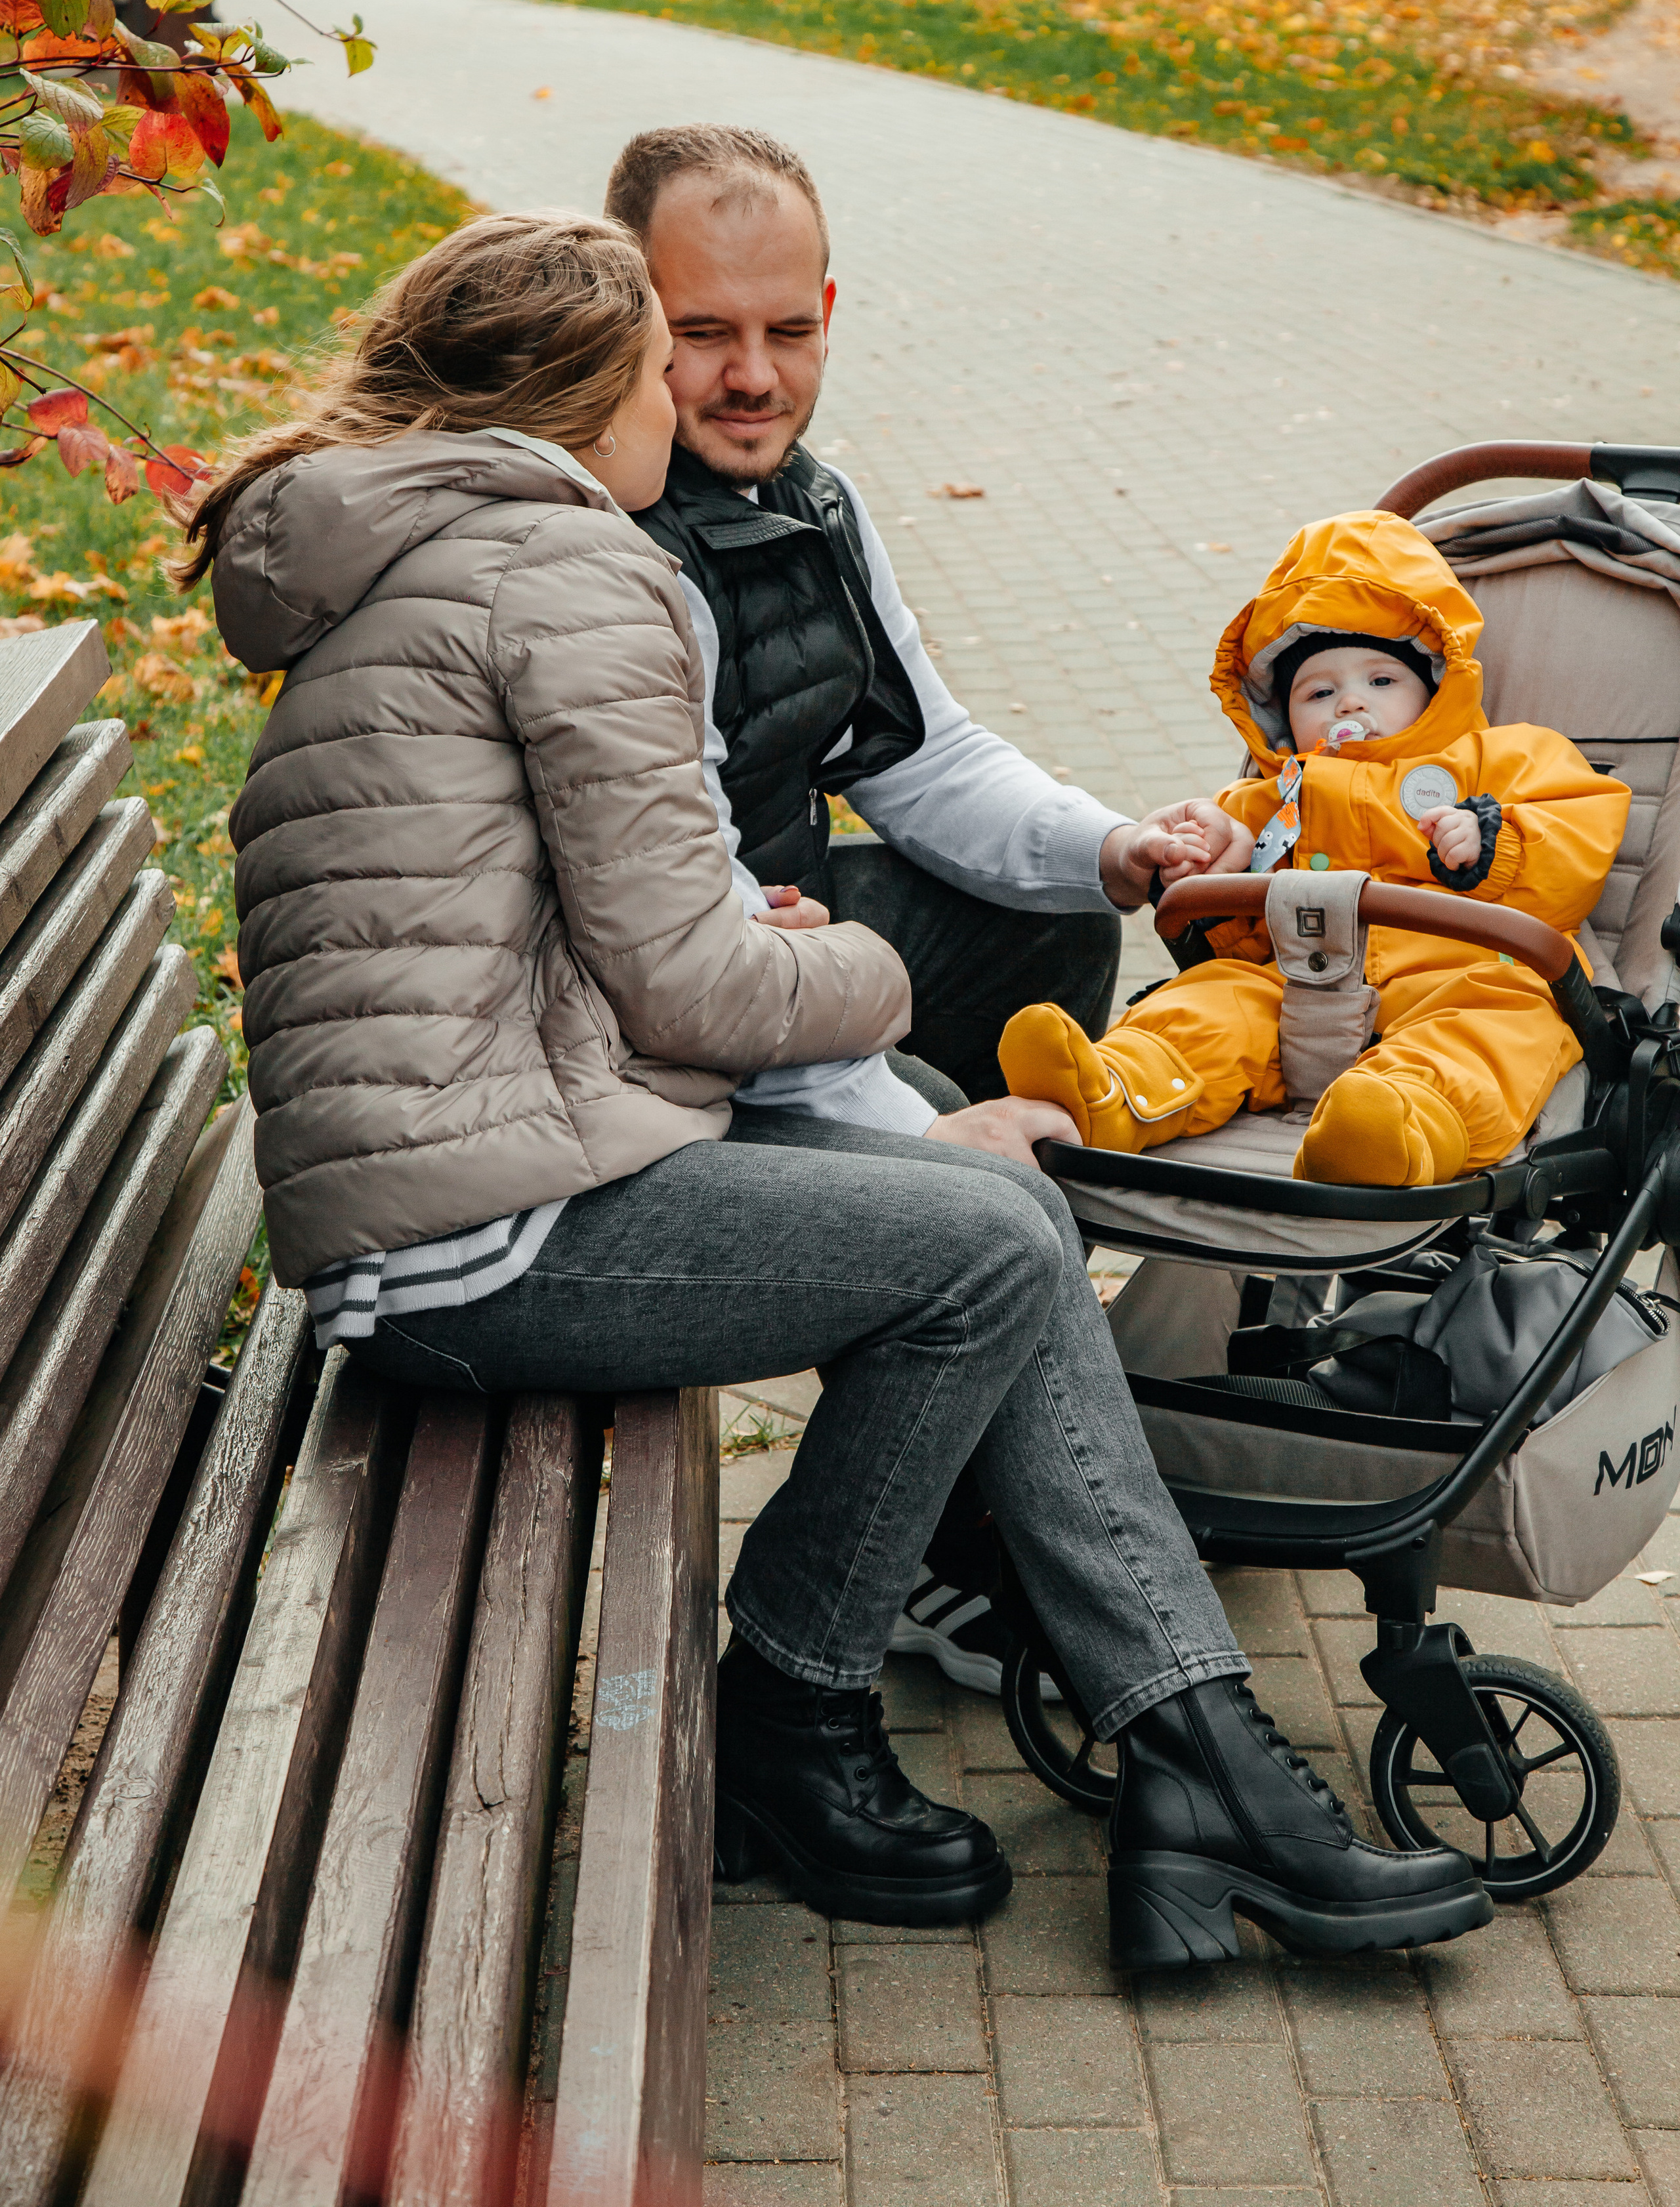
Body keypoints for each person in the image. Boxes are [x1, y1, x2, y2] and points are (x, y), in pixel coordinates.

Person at [185, 212, 1489, 1967]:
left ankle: (1189, 1769)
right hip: (480, 1234)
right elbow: (692, 986)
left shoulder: (440, 554)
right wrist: (850, 978)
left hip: (452, 1193)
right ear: (596, 396)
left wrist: (749, 928)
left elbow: (545, 926)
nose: (693, 396)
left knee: (994, 1220)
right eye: (666, 361)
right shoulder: (567, 569)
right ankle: (854, 1722)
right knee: (994, 1244)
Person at [601, 121, 1251, 1691]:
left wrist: (1113, 849)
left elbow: (924, 754)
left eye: (788, 330)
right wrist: (910, 1135)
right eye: (702, 335)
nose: (753, 375)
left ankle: (971, 1466)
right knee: (963, 1135)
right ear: (627, 319)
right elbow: (672, 955)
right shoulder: (610, 549)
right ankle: (961, 1478)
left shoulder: (809, 506)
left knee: (1047, 922)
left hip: (771, 941)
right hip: (654, 1033)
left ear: (827, 306)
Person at [1001, 509, 1631, 1184]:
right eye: (1319, 690)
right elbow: (1225, 926)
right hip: (1293, 981)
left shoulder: (1504, 758)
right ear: (1281, 713)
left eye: (1381, 682)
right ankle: (1115, 1088)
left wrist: (1491, 840)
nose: (1348, 704)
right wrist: (1214, 856)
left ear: (1433, 688)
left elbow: (1579, 836)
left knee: (1499, 1029)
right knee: (1212, 1001)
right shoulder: (1270, 796)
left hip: (1458, 974)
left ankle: (1398, 1127)